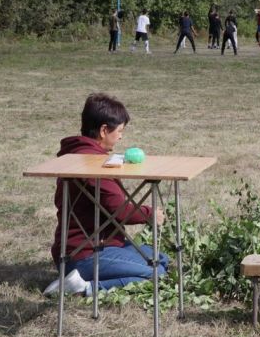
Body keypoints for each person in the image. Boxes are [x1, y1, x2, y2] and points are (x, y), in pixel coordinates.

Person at [44, 93, 168, 296]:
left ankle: (84, 278)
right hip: (84, 255)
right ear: (103, 130)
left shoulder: (77, 155)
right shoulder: (94, 166)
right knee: (158, 272)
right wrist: (150, 213)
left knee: (162, 259)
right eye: (119, 131)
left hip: (91, 247)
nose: (121, 136)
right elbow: (120, 211)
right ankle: (84, 288)